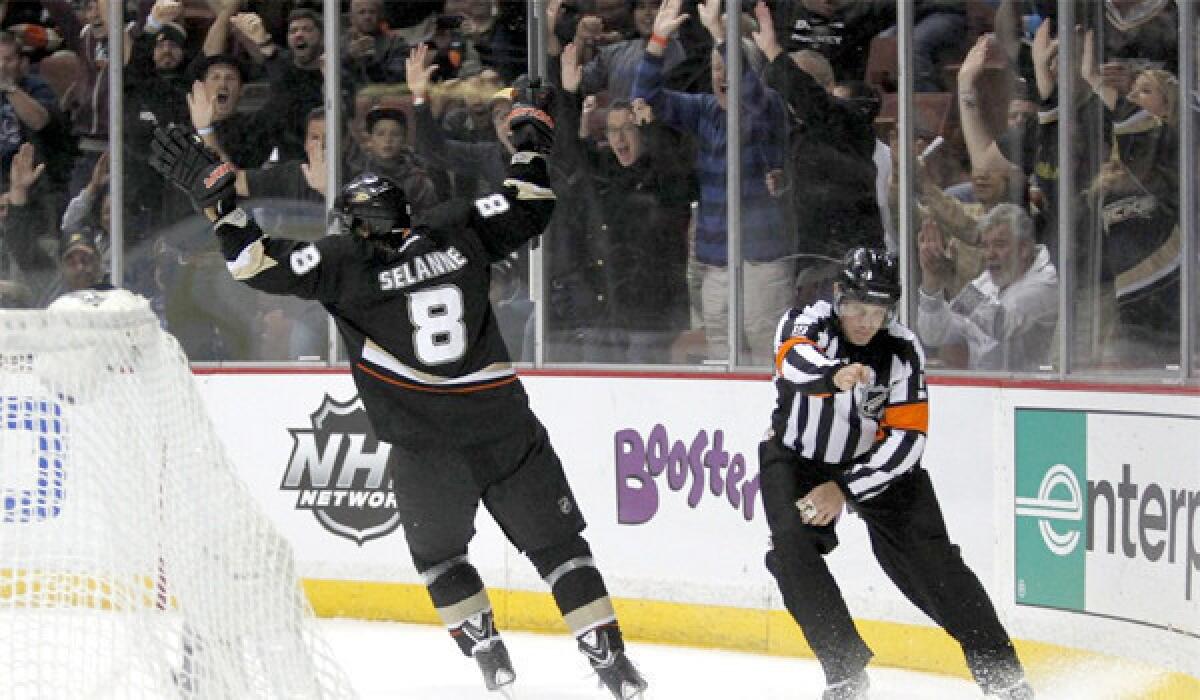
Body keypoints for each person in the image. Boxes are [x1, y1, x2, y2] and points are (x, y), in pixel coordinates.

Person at [149, 96, 648, 700]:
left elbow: (253, 263)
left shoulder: (343, 263)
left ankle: (487, 650)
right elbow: (531, 202)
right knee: (562, 550)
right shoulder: (456, 226)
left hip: (424, 448)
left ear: (358, 227)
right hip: (506, 430)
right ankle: (608, 659)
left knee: (440, 559)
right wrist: (531, 142)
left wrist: (222, 205)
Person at [760, 247, 1034, 700]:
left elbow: (907, 441)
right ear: (838, 297)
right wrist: (835, 375)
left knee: (934, 568)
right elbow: (792, 362)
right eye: (858, 309)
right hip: (799, 459)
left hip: (878, 466)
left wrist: (845, 489)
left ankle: (1005, 677)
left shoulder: (903, 350)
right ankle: (845, 671)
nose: (867, 321)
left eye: (878, 311)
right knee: (790, 548)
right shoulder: (805, 320)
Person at [917, 204, 1058, 371]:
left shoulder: (1047, 282)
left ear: (1024, 249)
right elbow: (935, 334)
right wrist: (931, 282)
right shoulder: (987, 280)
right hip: (984, 389)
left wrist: (952, 279)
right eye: (985, 246)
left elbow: (1002, 324)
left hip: (1032, 391)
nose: (990, 254)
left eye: (1000, 244)